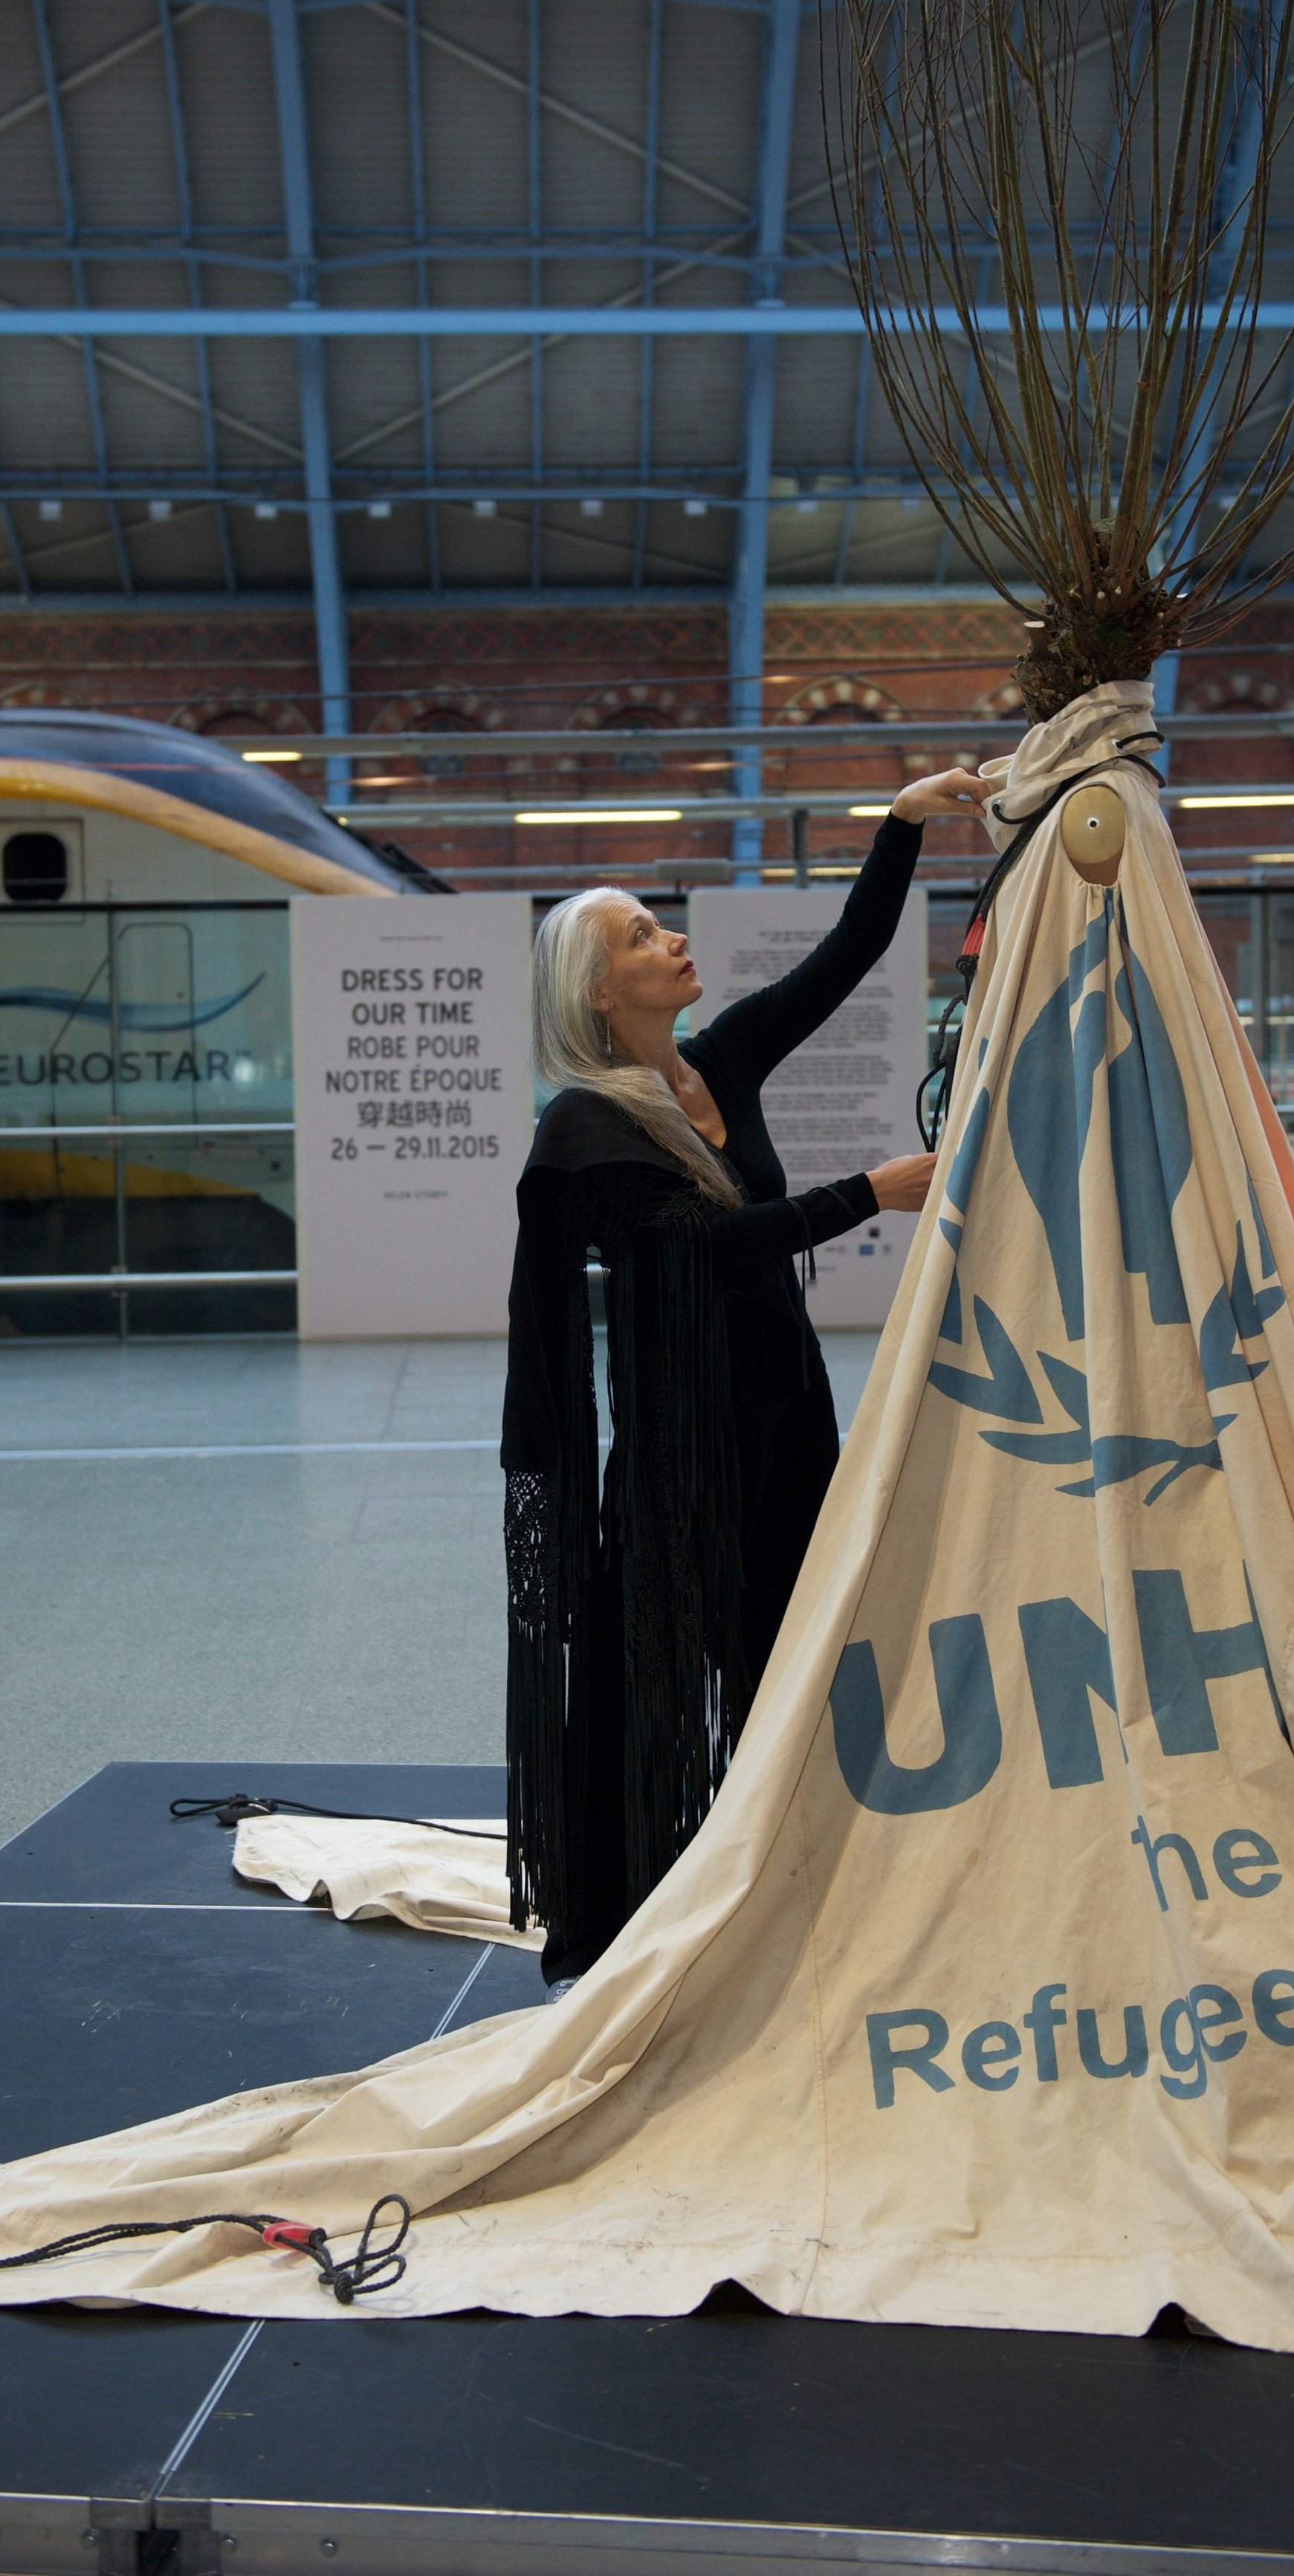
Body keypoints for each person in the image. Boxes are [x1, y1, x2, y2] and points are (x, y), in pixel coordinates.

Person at [502, 766, 986, 1985]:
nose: (673, 941)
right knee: (658, 1665)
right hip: (683, 1440)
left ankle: (788, 1875)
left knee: (791, 1648)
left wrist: (900, 822)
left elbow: (848, 953)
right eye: (643, 937)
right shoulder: (588, 1127)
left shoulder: (719, 1061)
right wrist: (867, 1192)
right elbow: (700, 1248)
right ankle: (625, 1907)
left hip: (784, 1409)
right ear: (600, 992)